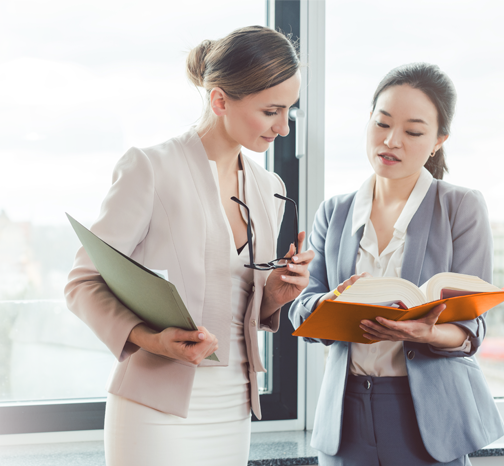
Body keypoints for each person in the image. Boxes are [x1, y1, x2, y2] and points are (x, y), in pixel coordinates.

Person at [64, 25, 315, 465]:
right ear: (220, 101)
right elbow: (82, 284)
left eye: (289, 110)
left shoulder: (268, 187)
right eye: (272, 111)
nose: (283, 127)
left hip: (233, 404)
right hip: (154, 406)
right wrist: (151, 339)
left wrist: (275, 295)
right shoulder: (151, 168)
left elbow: (238, 311)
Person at [289, 62, 504, 465]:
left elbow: (472, 327)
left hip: (427, 418)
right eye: (382, 123)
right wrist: (328, 306)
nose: (391, 141)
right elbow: (301, 308)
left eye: (413, 131)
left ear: (439, 140)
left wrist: (427, 334)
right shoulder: (333, 212)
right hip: (345, 412)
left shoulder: (461, 207)